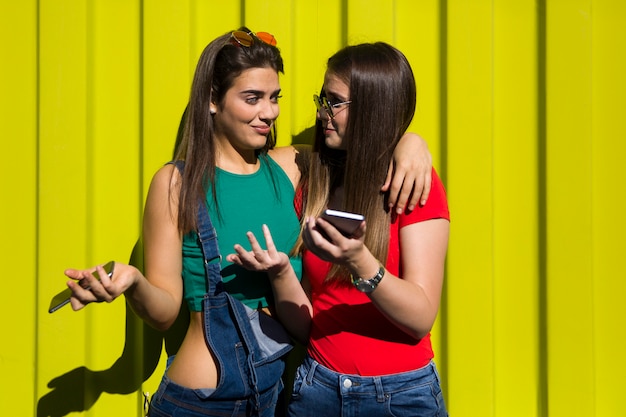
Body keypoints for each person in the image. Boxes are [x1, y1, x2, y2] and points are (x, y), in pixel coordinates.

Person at [63, 28, 434, 417]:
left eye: (274, 98)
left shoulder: (293, 167)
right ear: (211, 100)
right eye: (252, 98)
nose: (269, 112)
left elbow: (365, 139)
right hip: (201, 403)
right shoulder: (176, 184)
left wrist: (412, 144)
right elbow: (165, 313)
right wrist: (134, 283)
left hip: (277, 396)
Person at [228, 42, 450, 416]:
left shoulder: (412, 185)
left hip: (400, 396)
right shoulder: (313, 177)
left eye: (335, 102)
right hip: (318, 388)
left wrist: (361, 262)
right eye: (323, 98)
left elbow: (420, 318)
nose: (322, 113)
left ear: (373, 110)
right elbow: (237, 158)